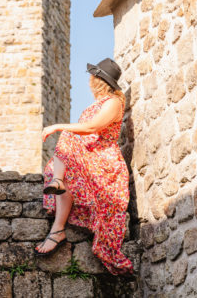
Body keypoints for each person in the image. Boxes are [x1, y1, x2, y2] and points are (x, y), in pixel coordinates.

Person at [35, 58, 133, 275]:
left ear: (98, 80)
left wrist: (58, 126)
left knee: (69, 136)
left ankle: (58, 183)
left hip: (103, 161)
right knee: (56, 167)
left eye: (92, 78)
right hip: (89, 156)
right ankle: (57, 229)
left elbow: (92, 127)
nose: (89, 82)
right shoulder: (96, 104)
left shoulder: (113, 102)